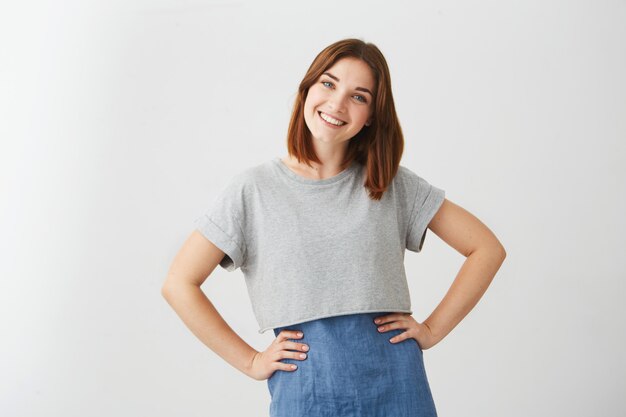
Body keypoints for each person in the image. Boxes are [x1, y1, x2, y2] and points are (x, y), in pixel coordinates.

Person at [161, 38, 506, 417]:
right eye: (328, 83)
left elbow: (486, 249)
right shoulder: (254, 189)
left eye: (359, 96)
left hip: (397, 387)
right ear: (307, 87)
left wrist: (433, 330)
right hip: (305, 389)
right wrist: (250, 361)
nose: (338, 104)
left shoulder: (390, 184)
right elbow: (179, 283)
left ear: (373, 114)